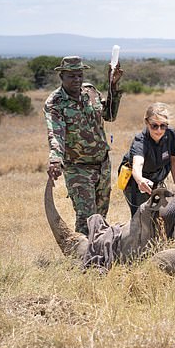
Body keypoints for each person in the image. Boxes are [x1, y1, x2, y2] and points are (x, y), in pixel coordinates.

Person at [44, 55, 123, 235]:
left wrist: (113, 86)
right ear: (61, 76)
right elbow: (56, 133)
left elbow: (110, 115)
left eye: (79, 75)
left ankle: (100, 255)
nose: (77, 80)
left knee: (101, 217)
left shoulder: (91, 92)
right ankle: (81, 258)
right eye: (71, 76)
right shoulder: (55, 103)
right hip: (77, 168)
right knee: (86, 217)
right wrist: (55, 160)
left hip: (102, 164)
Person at [120, 102, 175, 217]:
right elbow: (137, 165)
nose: (159, 130)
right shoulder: (140, 141)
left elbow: (174, 160)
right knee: (141, 217)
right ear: (147, 123)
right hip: (135, 182)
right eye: (154, 125)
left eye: (163, 125)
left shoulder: (171, 134)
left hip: (155, 178)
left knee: (158, 214)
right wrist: (140, 180)